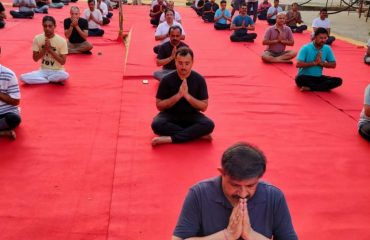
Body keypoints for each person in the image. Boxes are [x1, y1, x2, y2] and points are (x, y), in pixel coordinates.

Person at [172, 142, 298, 240]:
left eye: (250, 186)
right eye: (235, 185)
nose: (243, 194)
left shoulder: (274, 196)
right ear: (222, 173)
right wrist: (227, 235)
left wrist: (251, 235)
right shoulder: (198, 193)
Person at [151, 47, 214, 146]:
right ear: (175, 62)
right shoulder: (166, 80)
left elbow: (204, 107)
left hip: (191, 115)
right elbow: (159, 106)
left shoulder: (199, 79)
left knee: (209, 125)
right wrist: (178, 95)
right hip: (170, 114)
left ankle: (170, 139)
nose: (183, 67)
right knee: (156, 125)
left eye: (187, 63)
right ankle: (196, 135)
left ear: (192, 62)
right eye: (180, 63)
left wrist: (187, 96)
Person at [20, 16, 69, 85]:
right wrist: (44, 49)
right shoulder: (37, 38)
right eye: (45, 26)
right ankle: (48, 80)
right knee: (22, 77)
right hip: (43, 70)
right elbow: (35, 58)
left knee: (64, 75)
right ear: (42, 26)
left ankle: (45, 80)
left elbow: (62, 62)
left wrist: (50, 50)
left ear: (54, 26)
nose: (47, 28)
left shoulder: (62, 41)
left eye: (50, 26)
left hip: (58, 71)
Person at [295, 27, 342, 91]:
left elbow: (333, 64)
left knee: (338, 81)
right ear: (315, 37)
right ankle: (320, 87)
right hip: (305, 77)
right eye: (321, 38)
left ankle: (311, 88)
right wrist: (314, 63)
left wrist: (321, 63)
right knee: (299, 79)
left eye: (325, 38)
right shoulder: (305, 48)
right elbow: (298, 64)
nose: (323, 40)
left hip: (318, 77)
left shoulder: (327, 48)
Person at [0, 47, 21, 140]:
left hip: (4, 114)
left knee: (14, 119)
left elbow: (15, 101)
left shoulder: (8, 74)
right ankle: (3, 133)